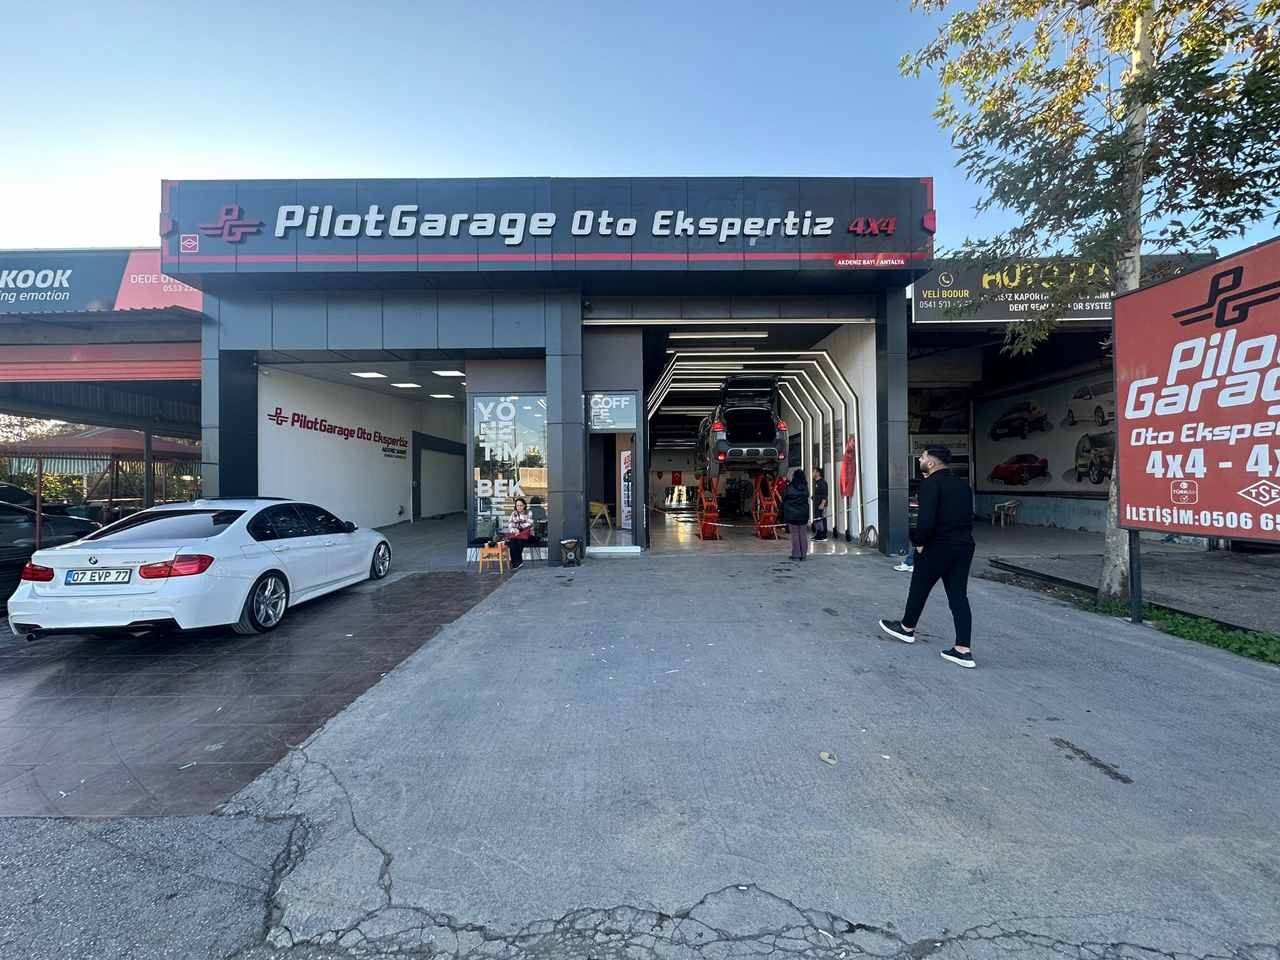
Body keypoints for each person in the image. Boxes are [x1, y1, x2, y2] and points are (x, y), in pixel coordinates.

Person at [878, 445, 977, 668]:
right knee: (958, 597)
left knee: (919, 588)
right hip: (963, 545)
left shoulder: (931, 484)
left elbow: (926, 518)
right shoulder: (962, 485)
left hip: (938, 545)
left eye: (922, 457)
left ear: (931, 463)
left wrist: (919, 542)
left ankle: (906, 628)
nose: (919, 460)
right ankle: (963, 649)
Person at [781, 469, 810, 560]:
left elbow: (783, 498)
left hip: (792, 514)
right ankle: (803, 555)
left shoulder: (789, 487)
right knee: (803, 533)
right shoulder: (805, 488)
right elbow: (807, 496)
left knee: (795, 534)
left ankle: (796, 554)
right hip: (803, 514)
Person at [505, 497, 535, 569]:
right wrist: (514, 531)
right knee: (512, 543)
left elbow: (529, 523)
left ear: (524, 505)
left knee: (519, 542)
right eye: (517, 505)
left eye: (521, 505)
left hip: (527, 535)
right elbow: (510, 524)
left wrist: (519, 529)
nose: (519, 507)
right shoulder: (513, 513)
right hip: (516, 534)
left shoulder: (529, 512)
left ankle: (518, 561)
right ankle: (515, 561)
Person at [812, 467, 829, 540]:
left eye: (814, 472)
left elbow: (825, 494)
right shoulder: (816, 483)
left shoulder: (823, 483)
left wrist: (822, 504)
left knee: (822, 519)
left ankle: (823, 535)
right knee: (817, 520)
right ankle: (818, 534)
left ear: (817, 473)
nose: (813, 473)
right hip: (816, 504)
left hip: (821, 505)